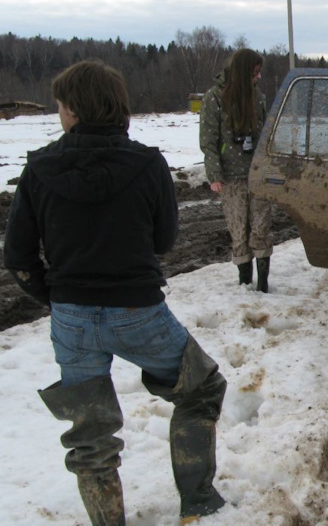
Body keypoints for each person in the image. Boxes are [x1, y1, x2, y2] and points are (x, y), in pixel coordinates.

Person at [3, 59, 228, 526]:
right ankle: (200, 502)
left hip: (70, 319)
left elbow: (19, 257)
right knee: (201, 388)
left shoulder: (40, 167)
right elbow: (164, 241)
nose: (59, 114)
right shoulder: (148, 164)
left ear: (75, 110)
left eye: (61, 106)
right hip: (138, 312)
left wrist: (58, 299)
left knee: (90, 436)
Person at [200, 48, 273, 292]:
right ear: (243, 72)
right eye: (255, 72)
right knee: (239, 231)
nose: (258, 77)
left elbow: (265, 136)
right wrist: (215, 175)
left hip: (257, 174)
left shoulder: (258, 97)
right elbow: (208, 140)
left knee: (261, 228)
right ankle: (244, 284)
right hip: (230, 177)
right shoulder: (214, 98)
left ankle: (263, 286)